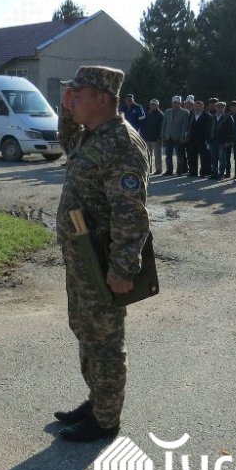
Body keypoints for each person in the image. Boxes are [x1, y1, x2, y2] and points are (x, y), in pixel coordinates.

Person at [52, 65, 150, 442]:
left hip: (102, 260)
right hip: (81, 257)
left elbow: (131, 213)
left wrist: (123, 268)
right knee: (85, 329)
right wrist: (66, 109)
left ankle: (106, 420)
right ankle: (97, 401)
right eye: (71, 96)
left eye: (78, 96)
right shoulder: (91, 135)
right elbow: (66, 139)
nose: (72, 101)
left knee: (105, 339)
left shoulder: (122, 144)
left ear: (102, 99)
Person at [160, 95, 190, 175]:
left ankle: (180, 170)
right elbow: (164, 124)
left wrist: (183, 137)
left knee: (179, 155)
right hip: (168, 136)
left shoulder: (185, 112)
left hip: (178, 137)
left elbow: (185, 126)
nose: (175, 104)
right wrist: (162, 134)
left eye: (177, 102)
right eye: (174, 102)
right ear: (172, 103)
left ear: (180, 103)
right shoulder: (167, 111)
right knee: (168, 155)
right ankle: (169, 170)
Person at [207, 101, 234, 180]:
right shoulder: (212, 117)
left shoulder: (228, 117)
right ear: (215, 107)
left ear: (224, 108)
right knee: (213, 158)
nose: (219, 108)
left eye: (221, 107)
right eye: (217, 106)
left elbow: (231, 130)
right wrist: (208, 140)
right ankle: (214, 173)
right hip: (212, 141)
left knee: (222, 159)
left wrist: (228, 141)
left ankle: (221, 174)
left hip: (222, 141)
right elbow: (208, 129)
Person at [186, 99, 211, 177]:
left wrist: (207, 139)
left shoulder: (207, 116)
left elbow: (208, 129)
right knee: (192, 156)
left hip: (203, 140)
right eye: (196, 106)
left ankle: (204, 173)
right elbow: (188, 127)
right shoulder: (191, 115)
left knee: (204, 157)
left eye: (199, 106)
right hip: (192, 140)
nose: (197, 108)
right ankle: (193, 172)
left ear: (202, 107)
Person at [140, 99, 164, 175]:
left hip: (156, 139)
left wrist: (160, 137)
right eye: (151, 104)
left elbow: (162, 127)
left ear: (157, 105)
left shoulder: (161, 115)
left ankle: (159, 169)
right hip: (147, 138)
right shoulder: (146, 113)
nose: (152, 106)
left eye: (154, 104)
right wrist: (142, 135)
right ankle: (148, 169)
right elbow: (143, 125)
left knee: (157, 155)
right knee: (147, 155)